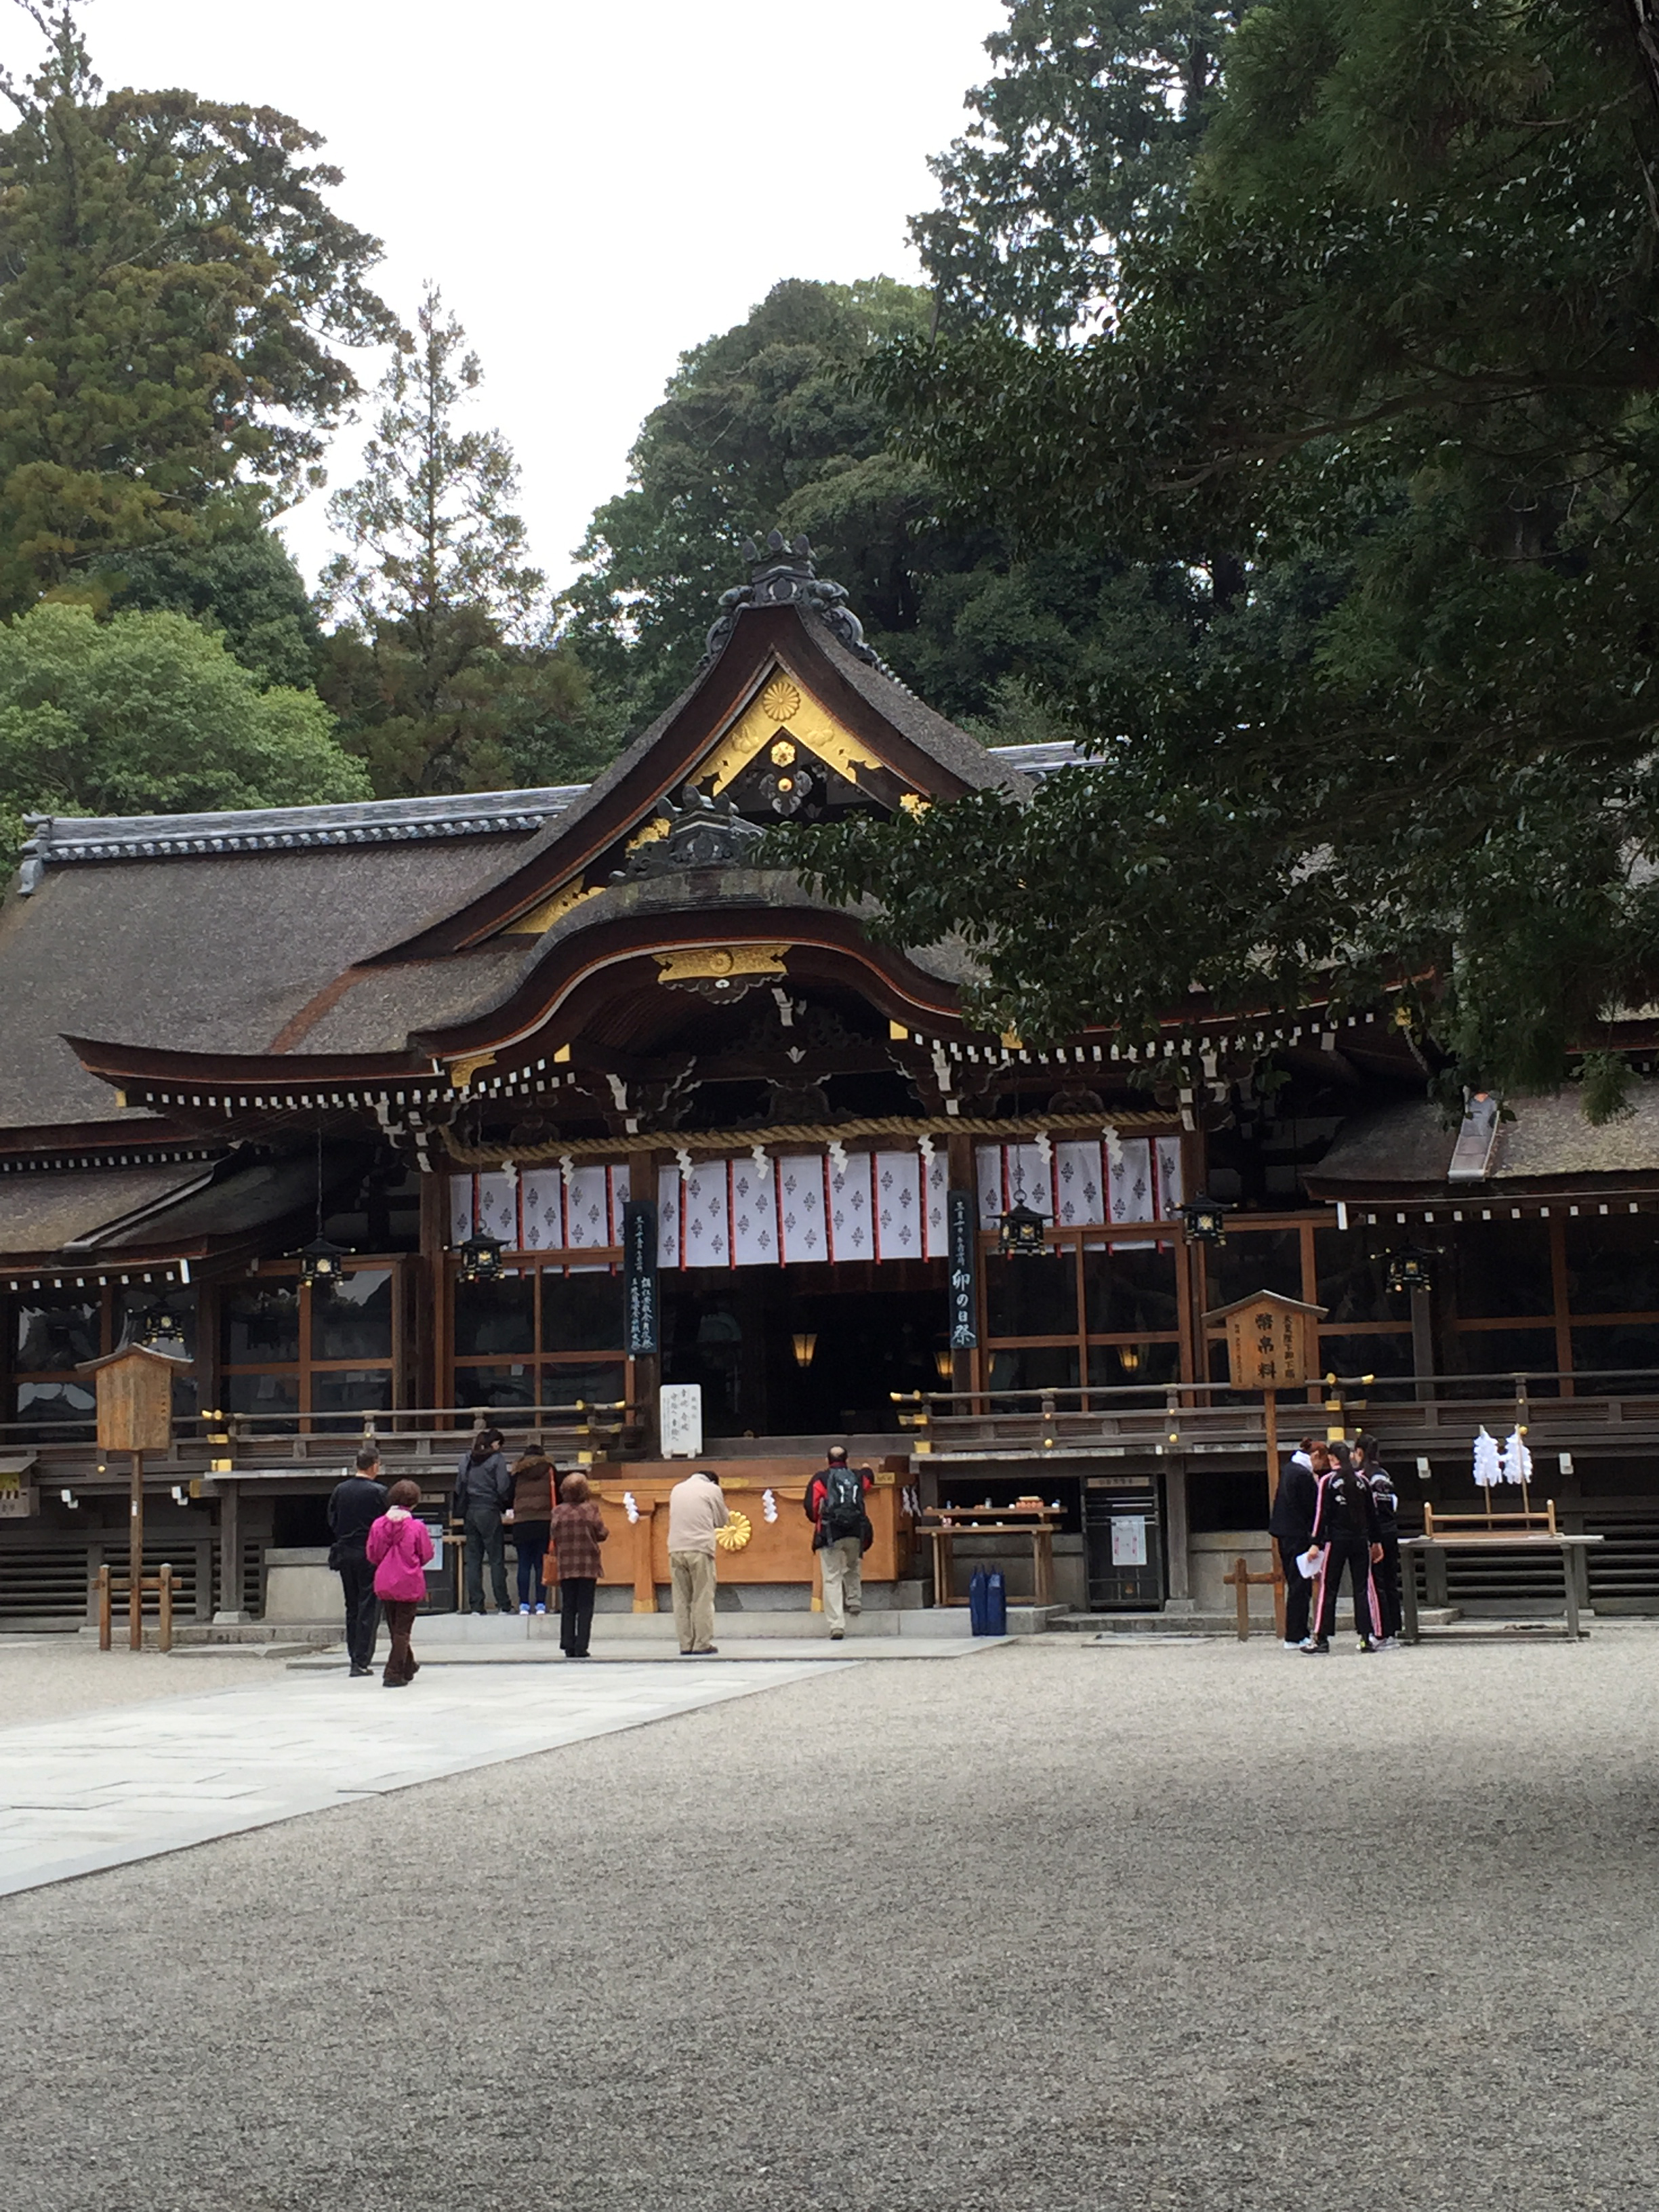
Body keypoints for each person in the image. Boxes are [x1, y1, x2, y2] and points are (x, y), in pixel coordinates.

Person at [1303, 1450, 1384, 1655]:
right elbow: (1372, 1514)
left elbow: (1322, 1514)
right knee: (1363, 1588)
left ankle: (1322, 1637)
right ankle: (1367, 1637)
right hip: (1360, 1540)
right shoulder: (1362, 1481)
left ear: (1332, 1459)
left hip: (1336, 1541)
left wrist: (1315, 1543)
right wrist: (1376, 1541)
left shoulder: (1328, 1481)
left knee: (1328, 1588)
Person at [327, 1443, 388, 1677]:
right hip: (370, 1552)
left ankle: (354, 1655)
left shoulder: (340, 1490)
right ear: (374, 1466)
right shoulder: (379, 1492)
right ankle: (362, 1659)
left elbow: (332, 1520)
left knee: (351, 1605)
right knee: (369, 1606)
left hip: (345, 1551)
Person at [366, 1479, 434, 1687]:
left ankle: (409, 1665)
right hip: (408, 1581)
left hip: (385, 1581)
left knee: (395, 1626)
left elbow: (372, 1554)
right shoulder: (416, 1527)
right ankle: (393, 1673)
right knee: (402, 1629)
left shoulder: (378, 1524)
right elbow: (427, 1554)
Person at [804, 1443, 874, 1641]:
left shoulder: (821, 1479)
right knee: (853, 1564)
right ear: (846, 1460)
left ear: (827, 1461)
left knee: (832, 1577)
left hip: (831, 1533)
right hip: (855, 1531)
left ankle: (837, 1625)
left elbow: (811, 1507)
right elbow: (869, 1479)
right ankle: (854, 1600)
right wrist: (867, 1467)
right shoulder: (858, 1476)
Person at [1269, 1438, 1324, 1652]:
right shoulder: (1302, 1475)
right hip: (1297, 1535)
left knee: (1297, 1582)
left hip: (1285, 1534)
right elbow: (1312, 1509)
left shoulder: (1290, 1469)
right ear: (1316, 1456)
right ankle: (1295, 1634)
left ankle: (1297, 1631)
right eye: (1321, 1462)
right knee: (1300, 1584)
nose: (1321, 1468)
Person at [667, 1467, 729, 1655]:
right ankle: (702, 1643)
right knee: (702, 1596)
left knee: (681, 1598)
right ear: (713, 1481)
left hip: (675, 1548)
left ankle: (685, 1644)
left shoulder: (677, 1489)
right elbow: (721, 1520)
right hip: (700, 1548)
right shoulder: (713, 1490)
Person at [547, 1471, 609, 1658]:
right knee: (585, 1606)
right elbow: (602, 1533)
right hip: (588, 1564)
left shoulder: (557, 1511)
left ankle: (567, 1644)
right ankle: (582, 1645)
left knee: (568, 1605)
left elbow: (553, 1534)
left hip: (566, 1564)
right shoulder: (591, 1509)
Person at [452, 1427, 512, 1615]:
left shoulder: (466, 1459)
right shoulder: (497, 1459)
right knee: (496, 1559)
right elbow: (503, 1486)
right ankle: (503, 1604)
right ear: (494, 1444)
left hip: (470, 1510)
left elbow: (459, 1484)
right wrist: (506, 1505)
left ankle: (476, 1605)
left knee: (473, 1560)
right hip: (489, 1510)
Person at [1355, 1436, 1402, 1649]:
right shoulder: (1385, 1475)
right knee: (1391, 1582)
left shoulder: (1363, 1477)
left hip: (1375, 1533)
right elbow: (1393, 1503)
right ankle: (1393, 1630)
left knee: (1377, 1584)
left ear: (1360, 1453)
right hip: (1391, 1529)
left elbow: (1365, 1511)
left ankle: (1381, 1631)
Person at [504, 1446, 556, 1616]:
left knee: (524, 1565)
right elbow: (558, 1494)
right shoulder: (549, 1470)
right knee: (541, 1565)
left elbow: (508, 1496)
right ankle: (541, 1604)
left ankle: (524, 1605)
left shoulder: (517, 1473)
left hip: (522, 1523)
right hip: (544, 1522)